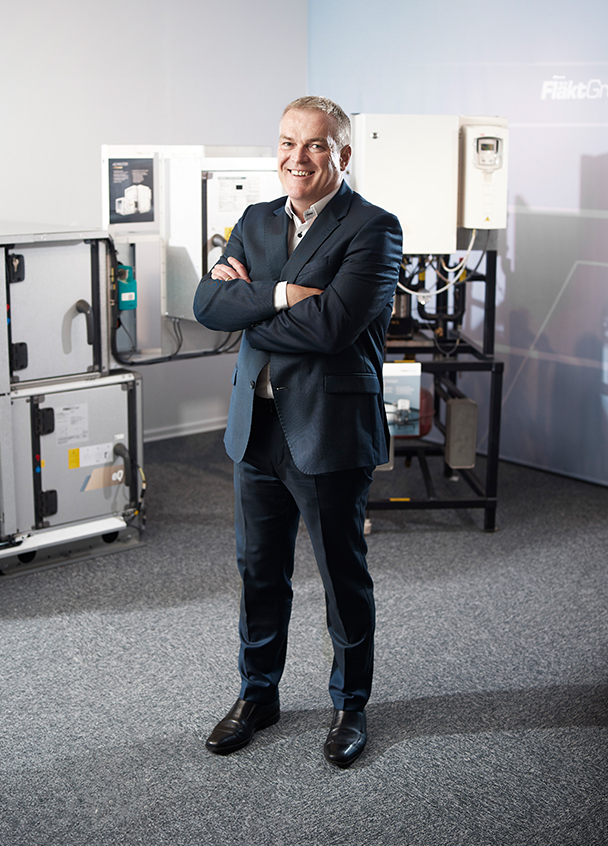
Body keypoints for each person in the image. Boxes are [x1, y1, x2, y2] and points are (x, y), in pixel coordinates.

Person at [193, 95, 402, 768]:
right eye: (288, 142)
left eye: (315, 145)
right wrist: (284, 295)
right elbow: (206, 305)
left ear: (343, 154)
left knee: (342, 576)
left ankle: (350, 705)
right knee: (259, 572)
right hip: (257, 428)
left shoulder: (373, 228)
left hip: (328, 428)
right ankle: (258, 695)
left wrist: (249, 308)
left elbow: (333, 327)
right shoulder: (256, 219)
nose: (297, 158)